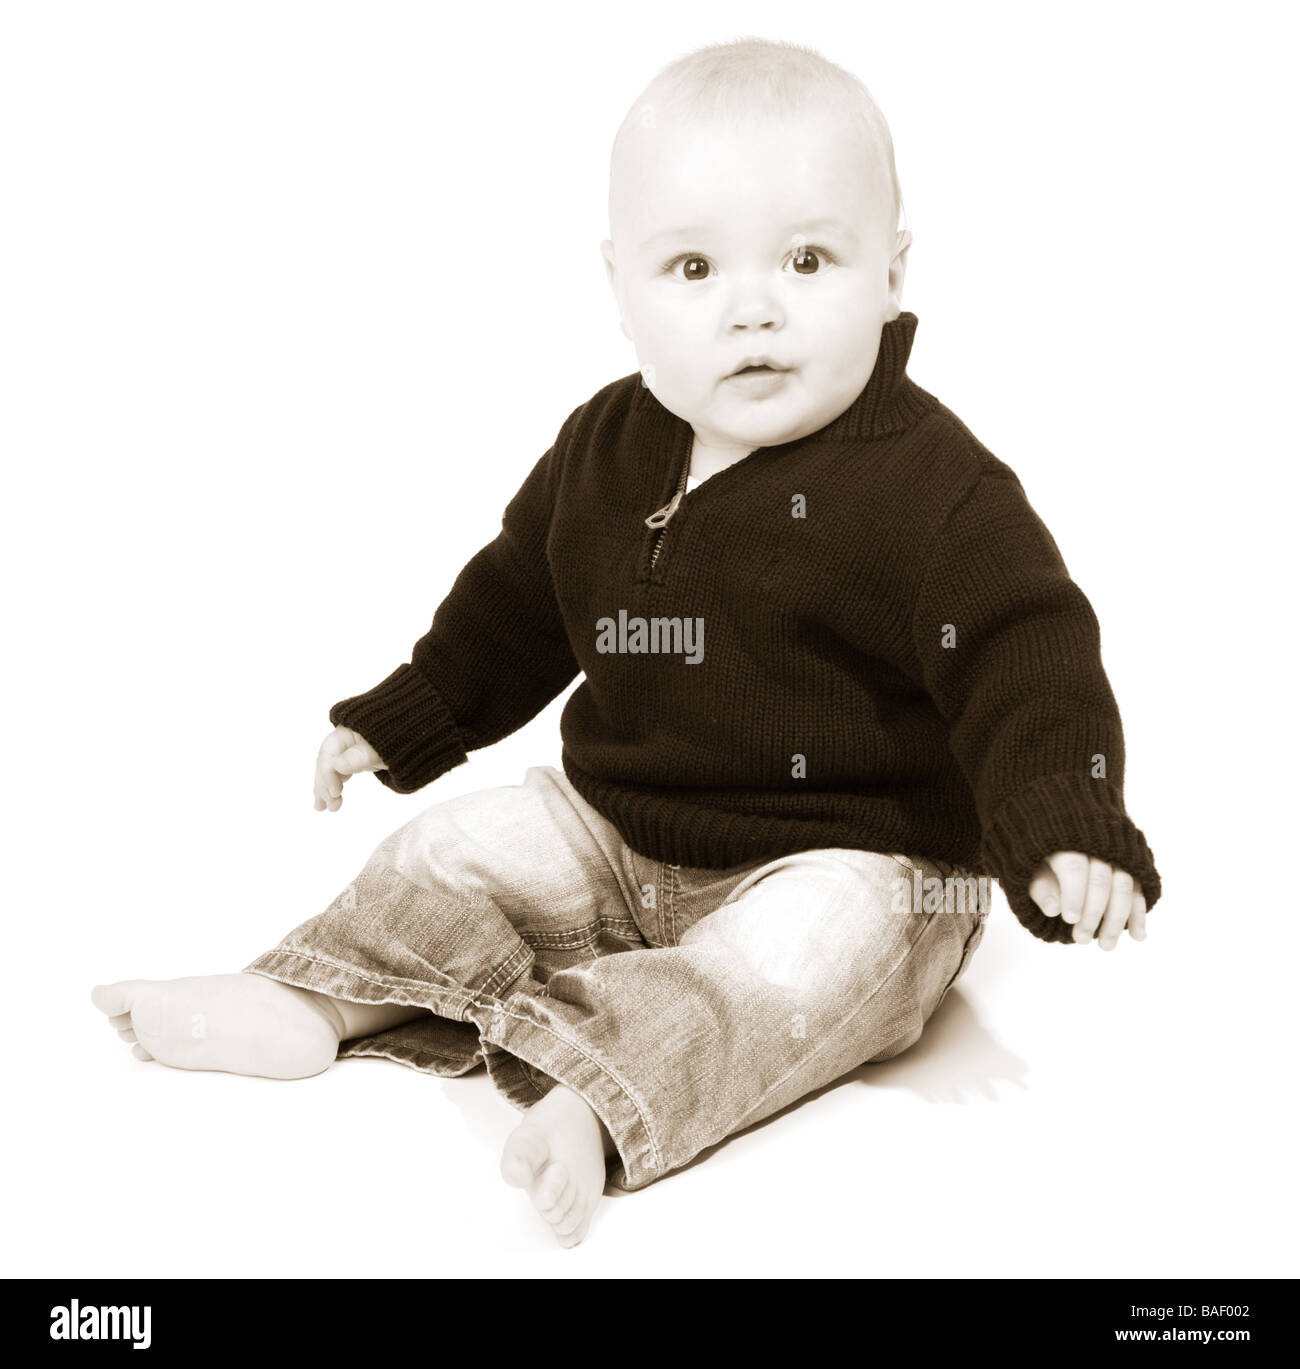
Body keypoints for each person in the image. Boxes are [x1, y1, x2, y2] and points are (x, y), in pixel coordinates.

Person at [92, 36, 1161, 1249]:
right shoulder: (608, 446)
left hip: (862, 861)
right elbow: (516, 604)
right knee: (459, 845)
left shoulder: (933, 488)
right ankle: (319, 997)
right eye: (694, 265)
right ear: (620, 286)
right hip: (622, 833)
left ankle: (597, 1096)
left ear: (892, 272)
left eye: (808, 258)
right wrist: (405, 714)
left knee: (802, 958)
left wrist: (1063, 816)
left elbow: (1029, 657)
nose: (752, 305)